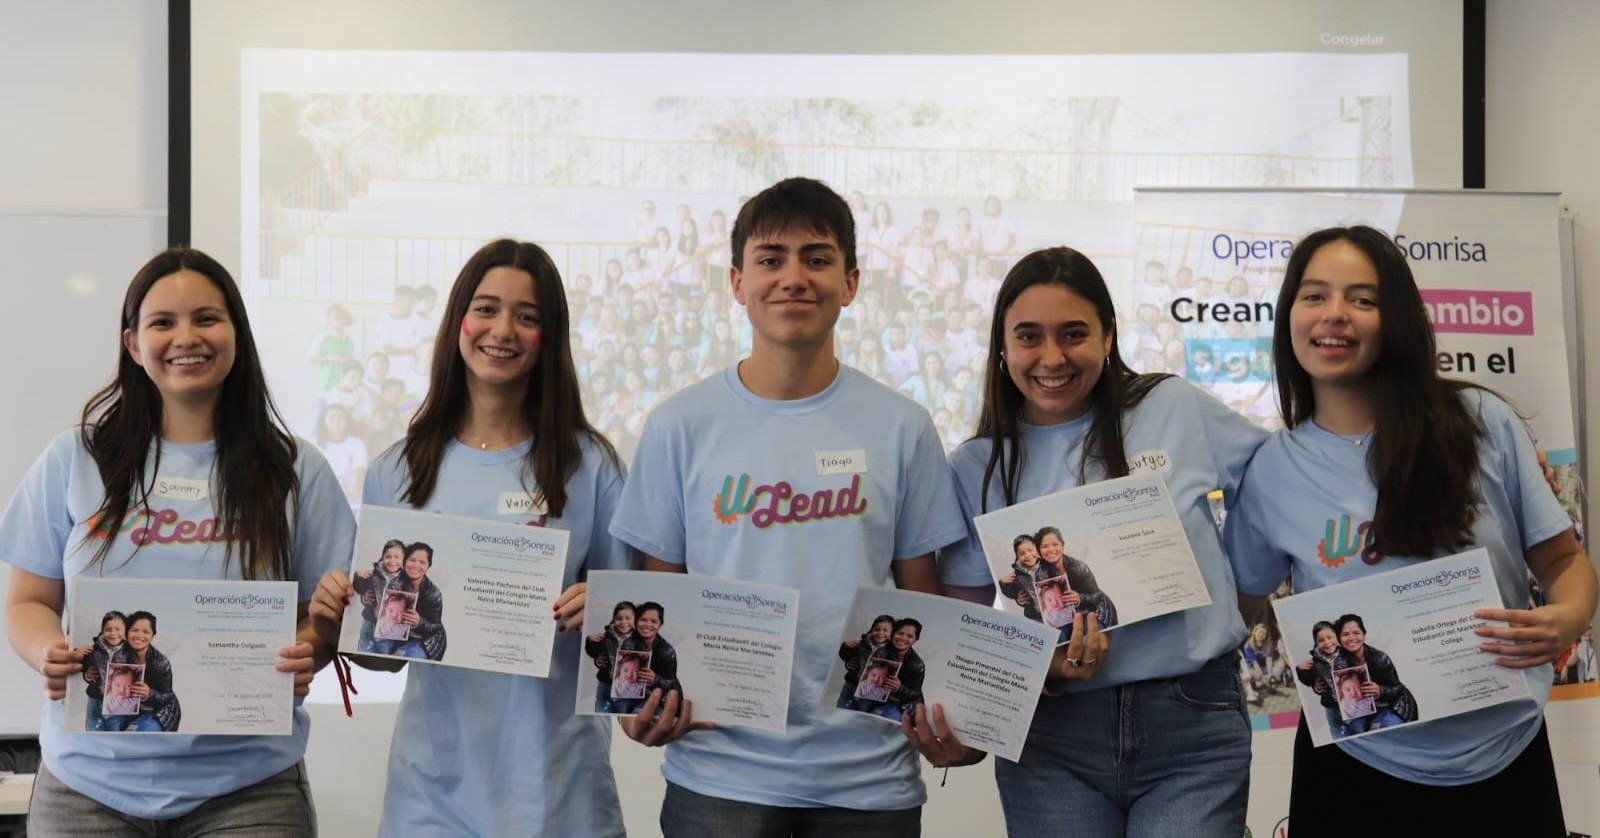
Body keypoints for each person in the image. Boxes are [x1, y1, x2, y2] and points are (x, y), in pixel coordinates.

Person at [609, 177, 967, 836]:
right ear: (737, 282)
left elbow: (925, 605)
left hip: (868, 783)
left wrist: (956, 720)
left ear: (851, 282)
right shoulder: (678, 425)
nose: (794, 278)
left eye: (817, 258)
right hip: (719, 777)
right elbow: (661, 603)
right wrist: (644, 706)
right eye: (771, 259)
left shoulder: (902, 426)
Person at [1224, 226, 1596, 837]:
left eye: (1363, 299)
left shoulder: (1480, 422)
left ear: (1395, 317)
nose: (1334, 314)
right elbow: (1236, 609)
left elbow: (1563, 562)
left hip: (1505, 753)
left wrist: (1568, 617)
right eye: (1314, 296)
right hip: (1353, 765)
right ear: (1290, 314)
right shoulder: (1271, 470)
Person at [1, 246, 353, 831]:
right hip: (88, 784)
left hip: (249, 789)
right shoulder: (75, 458)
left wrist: (308, 647)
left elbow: (326, 616)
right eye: (163, 322)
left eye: (206, 319)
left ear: (236, 334)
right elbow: (27, 602)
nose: (186, 337)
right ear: (134, 344)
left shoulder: (296, 468)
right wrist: (47, 651)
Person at [927, 247, 1267, 837]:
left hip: (1192, 724)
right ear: (1001, 347)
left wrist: (1240, 593)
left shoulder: (1172, 407)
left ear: (1108, 335)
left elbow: (1273, 482)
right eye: (1029, 336)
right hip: (1051, 739)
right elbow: (968, 625)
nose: (1052, 357)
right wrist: (1041, 671)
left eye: (1074, 334)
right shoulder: (973, 468)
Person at [309, 238, 634, 836]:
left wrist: (605, 611)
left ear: (549, 336)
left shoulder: (592, 467)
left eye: (527, 316)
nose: (502, 330)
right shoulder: (396, 471)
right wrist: (340, 615)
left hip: (558, 791)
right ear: (458, 319)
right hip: (432, 795)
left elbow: (629, 635)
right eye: (486, 309)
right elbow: (382, 657)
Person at [1034, 525, 1116, 639]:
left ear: (1062, 546)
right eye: (1045, 546)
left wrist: (1080, 598)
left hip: (1095, 611)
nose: (1051, 549)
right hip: (1065, 617)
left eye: (1055, 544)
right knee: (1059, 638)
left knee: (1091, 639)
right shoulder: (1039, 575)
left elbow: (1098, 597)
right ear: (1039, 551)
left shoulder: (1079, 567)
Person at [103, 612, 179, 732]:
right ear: (126, 632)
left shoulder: (161, 662)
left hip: (158, 711)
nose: (139, 635)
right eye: (134, 630)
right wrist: (89, 675)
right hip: (126, 706)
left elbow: (168, 697)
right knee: (109, 725)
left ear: (153, 636)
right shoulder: (118, 656)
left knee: (136, 731)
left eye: (146, 632)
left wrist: (149, 694)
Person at [613, 602, 678, 714]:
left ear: (660, 625)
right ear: (636, 621)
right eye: (643, 620)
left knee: (642, 712)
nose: (648, 624)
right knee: (618, 706)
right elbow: (617, 670)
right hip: (630, 691)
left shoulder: (667, 650)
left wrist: (655, 679)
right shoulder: (628, 643)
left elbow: (672, 684)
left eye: (654, 621)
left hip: (658, 697)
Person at [352, 539, 407, 650]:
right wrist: (364, 596)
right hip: (369, 622)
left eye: (397, 557)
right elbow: (359, 588)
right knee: (364, 650)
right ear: (382, 557)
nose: (392, 561)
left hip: (389, 627)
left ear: (403, 560)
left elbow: (407, 602)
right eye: (388, 557)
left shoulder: (405, 580)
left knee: (384, 651)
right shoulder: (374, 574)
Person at [79, 610, 128, 732]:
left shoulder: (130, 652)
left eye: (118, 629)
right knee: (92, 726)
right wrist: (87, 675)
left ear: (125, 631)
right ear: (102, 630)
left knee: (115, 728)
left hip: (117, 701)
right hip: (95, 698)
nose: (113, 633)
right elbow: (82, 667)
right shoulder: (92, 650)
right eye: (108, 629)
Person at [836, 615, 895, 709]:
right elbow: (845, 656)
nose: (880, 633)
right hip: (851, 683)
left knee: (862, 709)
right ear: (871, 630)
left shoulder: (891, 651)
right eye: (877, 629)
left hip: (869, 689)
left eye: (885, 630)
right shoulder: (861, 643)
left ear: (892, 633)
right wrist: (845, 647)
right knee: (842, 706)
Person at [587, 600, 636, 710]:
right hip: (605, 683)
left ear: (634, 620)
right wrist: (589, 641)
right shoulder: (605, 637)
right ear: (613, 619)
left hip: (626, 687)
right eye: (619, 618)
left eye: (628, 618)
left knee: (623, 710)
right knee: (601, 710)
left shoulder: (638, 640)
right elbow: (593, 652)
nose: (623, 622)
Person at [875, 618, 926, 723]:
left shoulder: (917, 664)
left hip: (899, 704)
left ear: (915, 640)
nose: (903, 638)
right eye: (900, 633)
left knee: (887, 717)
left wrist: (900, 688)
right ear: (892, 633)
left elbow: (916, 695)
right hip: (874, 696)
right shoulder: (880, 649)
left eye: (910, 636)